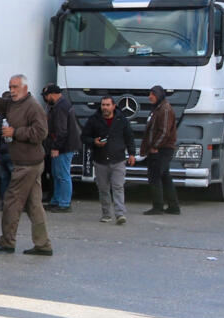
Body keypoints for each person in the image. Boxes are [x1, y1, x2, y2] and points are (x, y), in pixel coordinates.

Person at [0, 75, 52, 256]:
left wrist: (16, 132)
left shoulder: (33, 107)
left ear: (25, 88)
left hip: (27, 164)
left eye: (15, 87)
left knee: (11, 202)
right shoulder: (13, 103)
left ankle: (7, 241)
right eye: (10, 87)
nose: (12, 90)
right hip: (25, 162)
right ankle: (43, 245)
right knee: (34, 205)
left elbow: (41, 133)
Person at [82, 95, 137, 224]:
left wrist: (132, 154)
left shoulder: (121, 120)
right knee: (103, 188)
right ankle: (106, 214)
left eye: (107, 105)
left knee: (118, 187)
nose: (105, 107)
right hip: (100, 160)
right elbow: (84, 137)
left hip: (118, 159)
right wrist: (94, 141)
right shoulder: (93, 120)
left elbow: (129, 137)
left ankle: (120, 214)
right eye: (103, 105)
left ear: (113, 106)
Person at [41, 83, 81, 213]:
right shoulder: (61, 105)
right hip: (62, 146)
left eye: (46, 96)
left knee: (63, 175)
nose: (46, 99)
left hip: (63, 147)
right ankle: (56, 201)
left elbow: (62, 130)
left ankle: (64, 203)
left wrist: (56, 147)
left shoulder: (61, 107)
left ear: (52, 95)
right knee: (57, 174)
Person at [142, 85, 180, 215]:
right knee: (165, 177)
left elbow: (164, 132)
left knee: (155, 176)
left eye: (152, 94)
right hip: (162, 148)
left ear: (158, 95)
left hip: (162, 149)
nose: (150, 97)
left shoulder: (164, 109)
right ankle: (173, 206)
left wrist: (154, 147)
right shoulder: (158, 108)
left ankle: (158, 206)